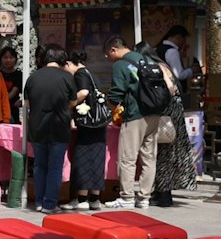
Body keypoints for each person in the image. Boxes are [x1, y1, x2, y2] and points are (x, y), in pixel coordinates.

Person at [105, 35, 162, 209]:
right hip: (154, 114)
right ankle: (144, 198)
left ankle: (127, 197)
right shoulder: (148, 60)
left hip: (135, 115)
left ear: (114, 49)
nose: (109, 58)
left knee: (127, 158)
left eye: (108, 54)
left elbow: (117, 92)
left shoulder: (121, 65)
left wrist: (113, 107)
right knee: (149, 158)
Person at [25, 46, 77, 215]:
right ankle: (49, 204)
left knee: (39, 166)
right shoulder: (67, 77)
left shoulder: (33, 77)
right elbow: (73, 102)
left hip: (37, 126)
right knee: (55, 167)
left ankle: (39, 202)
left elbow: (27, 104)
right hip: (59, 127)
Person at [149, 47, 192, 209]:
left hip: (167, 118)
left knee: (163, 155)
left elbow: (170, 88)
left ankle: (164, 194)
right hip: (173, 117)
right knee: (165, 155)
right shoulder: (164, 65)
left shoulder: (159, 67)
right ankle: (162, 193)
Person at [66, 53, 109, 210]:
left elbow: (83, 92)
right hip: (99, 123)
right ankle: (94, 199)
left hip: (88, 124)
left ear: (71, 63)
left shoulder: (80, 74)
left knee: (82, 157)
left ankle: (81, 199)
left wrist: (69, 104)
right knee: (97, 158)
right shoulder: (91, 74)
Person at [0, 43, 22, 118]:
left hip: (12, 110)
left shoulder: (19, 75)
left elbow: (13, 93)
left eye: (11, 57)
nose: (8, 60)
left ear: (15, 59)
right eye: (5, 57)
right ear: (0, 59)